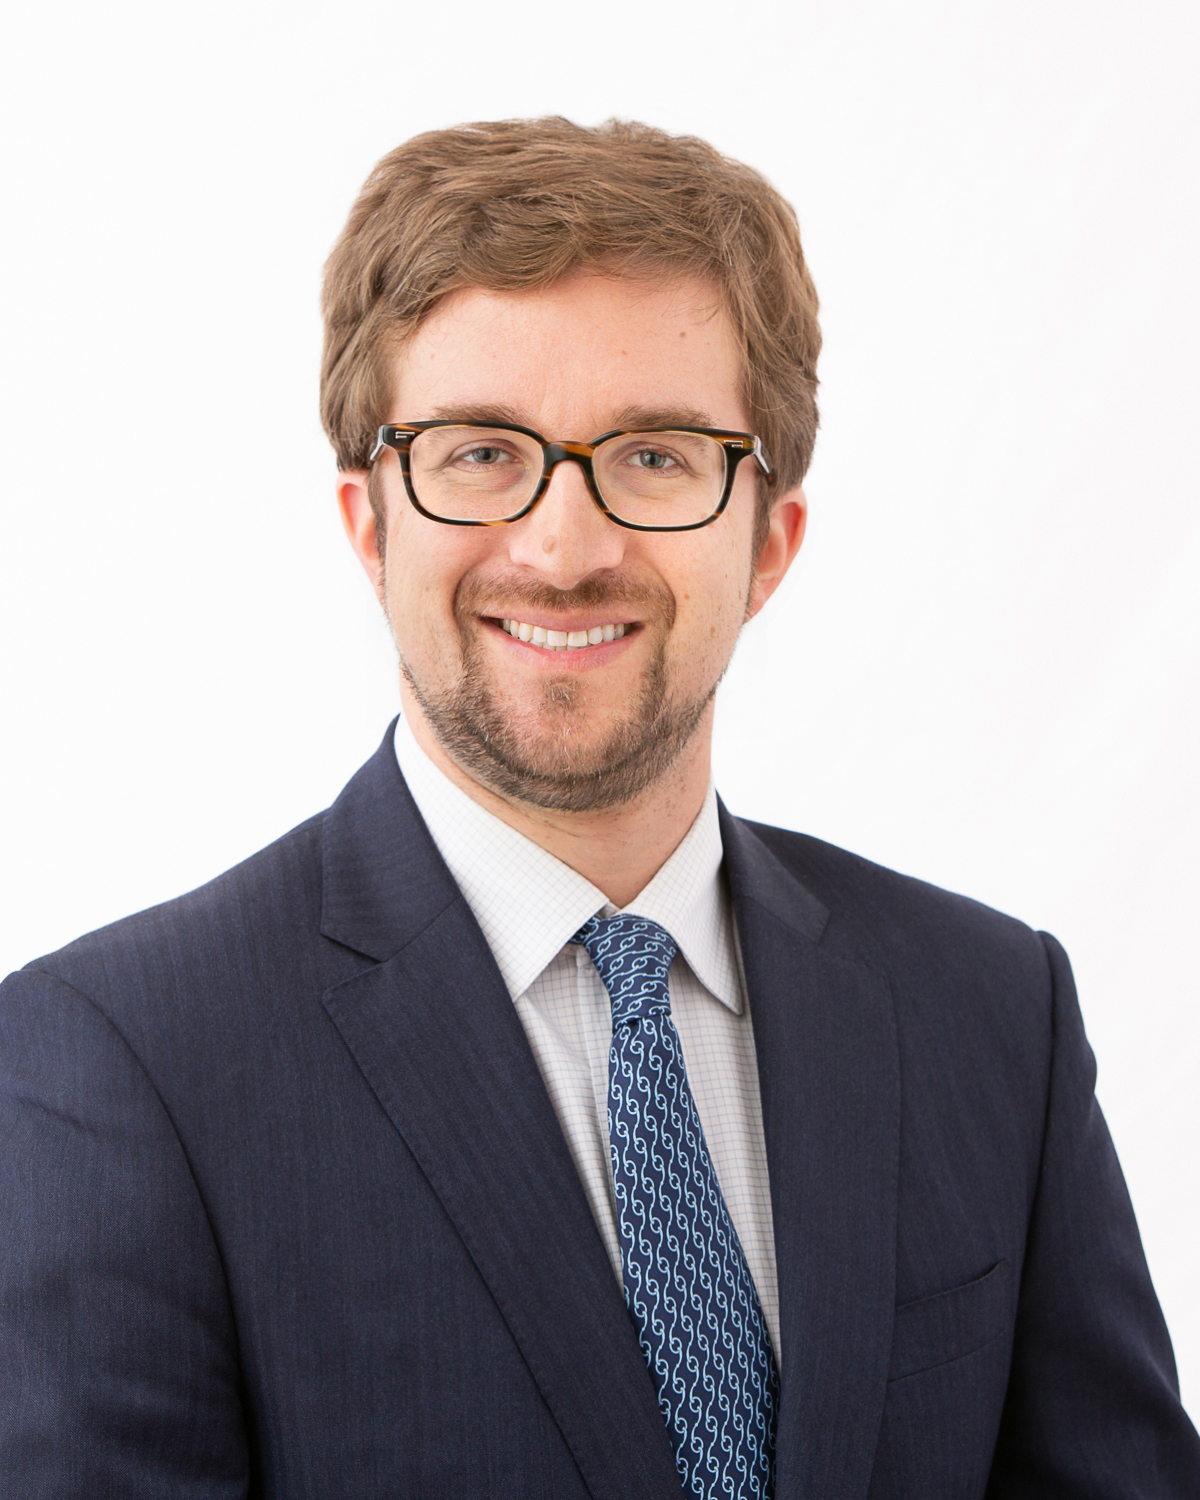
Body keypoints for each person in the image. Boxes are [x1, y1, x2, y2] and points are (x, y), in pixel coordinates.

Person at [1, 116, 1196, 1500]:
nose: (564, 548)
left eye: (655, 456)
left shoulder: (991, 1014)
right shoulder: (116, 1065)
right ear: (370, 526)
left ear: (770, 543)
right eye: (479, 453)